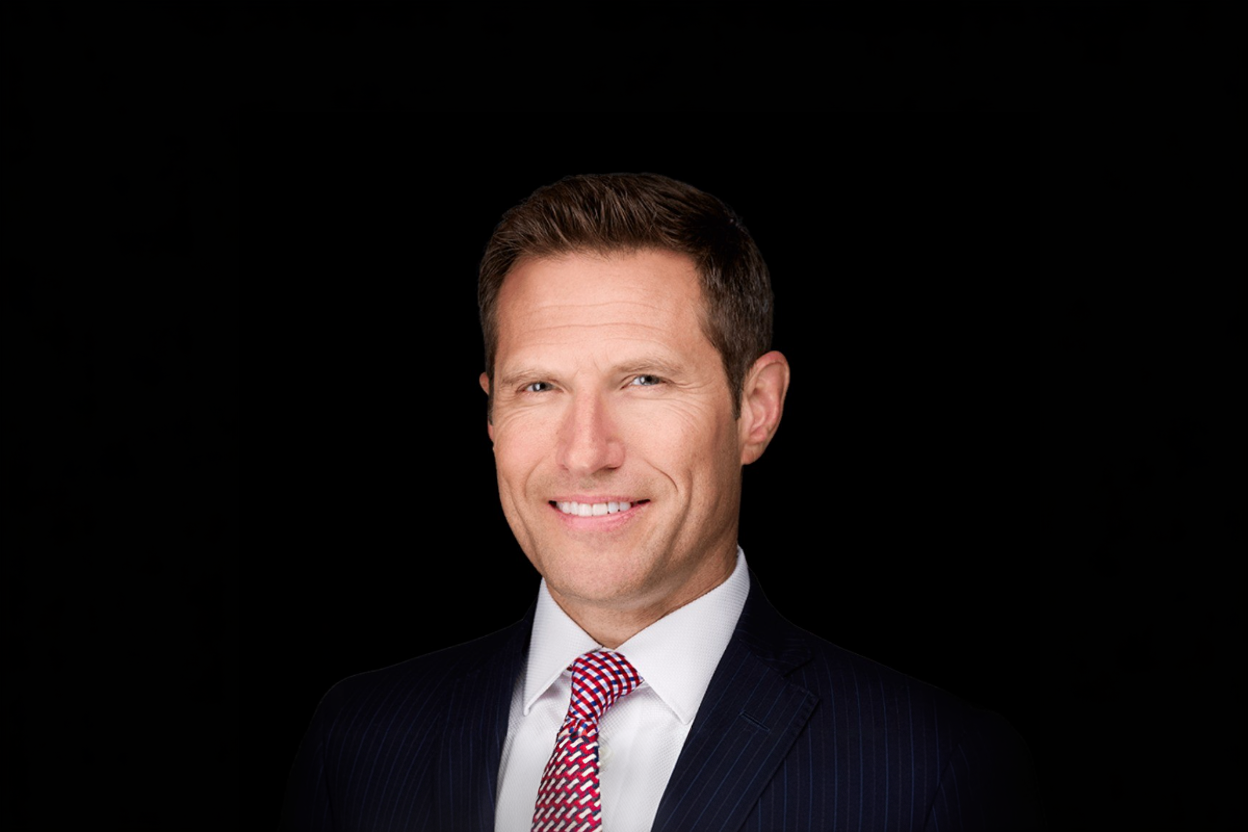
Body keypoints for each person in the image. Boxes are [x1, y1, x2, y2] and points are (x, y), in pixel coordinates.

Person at [281, 173, 1043, 831]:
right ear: (490, 414)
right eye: (539, 387)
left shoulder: (933, 766)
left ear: (757, 408)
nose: (585, 451)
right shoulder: (358, 741)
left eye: (643, 381)